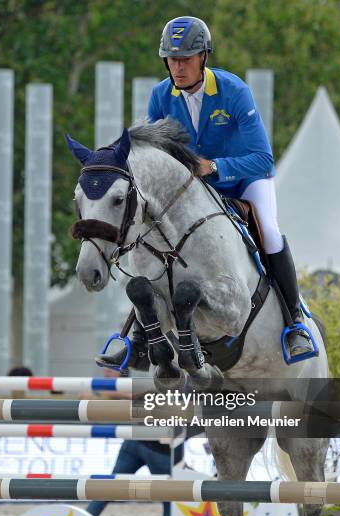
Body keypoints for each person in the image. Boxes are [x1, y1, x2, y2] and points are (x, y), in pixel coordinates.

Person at [109, 15, 314, 369]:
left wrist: (216, 167)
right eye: (172, 59)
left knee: (268, 227)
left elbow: (261, 157)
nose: (178, 67)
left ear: (204, 56)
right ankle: (140, 337)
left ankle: (294, 322)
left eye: (186, 59)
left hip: (244, 180)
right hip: (196, 189)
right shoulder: (161, 96)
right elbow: (159, 159)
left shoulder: (234, 92)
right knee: (152, 235)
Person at [86, 368, 172, 516]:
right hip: (159, 449)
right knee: (171, 499)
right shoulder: (183, 380)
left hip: (135, 439)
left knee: (108, 489)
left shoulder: (152, 374)